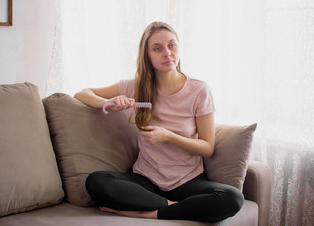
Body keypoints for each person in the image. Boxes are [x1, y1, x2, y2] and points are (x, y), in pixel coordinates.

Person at [74, 21, 244, 222]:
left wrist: (169, 137)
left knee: (232, 198)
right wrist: (108, 101)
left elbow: (207, 147)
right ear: (147, 56)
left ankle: (150, 211)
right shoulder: (135, 86)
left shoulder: (199, 90)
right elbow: (82, 93)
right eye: (157, 48)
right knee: (96, 181)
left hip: (187, 182)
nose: (167, 53)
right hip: (146, 180)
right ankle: (176, 208)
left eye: (172, 45)